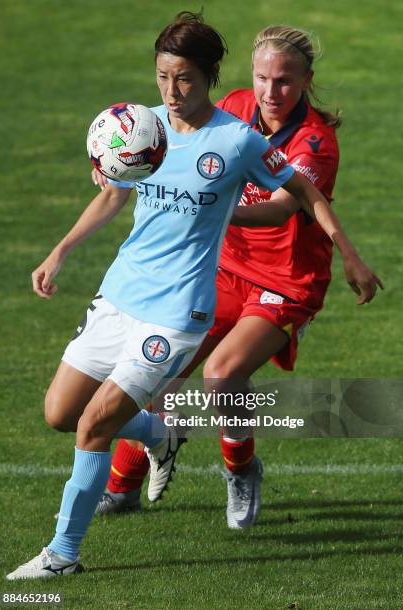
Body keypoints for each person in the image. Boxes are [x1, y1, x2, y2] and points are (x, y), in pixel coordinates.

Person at [7, 13, 381, 580]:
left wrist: (349, 253)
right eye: (162, 77)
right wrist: (60, 249)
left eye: (183, 79)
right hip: (120, 297)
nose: (171, 91)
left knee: (99, 425)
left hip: (180, 311)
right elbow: (113, 195)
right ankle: (162, 432)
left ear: (206, 77)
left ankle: (62, 556)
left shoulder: (237, 140)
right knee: (61, 413)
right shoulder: (144, 127)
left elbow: (299, 192)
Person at [94, 24, 383, 529]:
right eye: (263, 79)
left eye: (286, 82)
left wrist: (207, 208)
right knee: (156, 369)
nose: (272, 93)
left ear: (307, 80)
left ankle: (242, 470)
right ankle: (121, 488)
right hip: (222, 267)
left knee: (222, 374)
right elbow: (169, 150)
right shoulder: (234, 105)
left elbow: (277, 210)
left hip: (286, 279)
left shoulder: (316, 141)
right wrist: (118, 167)